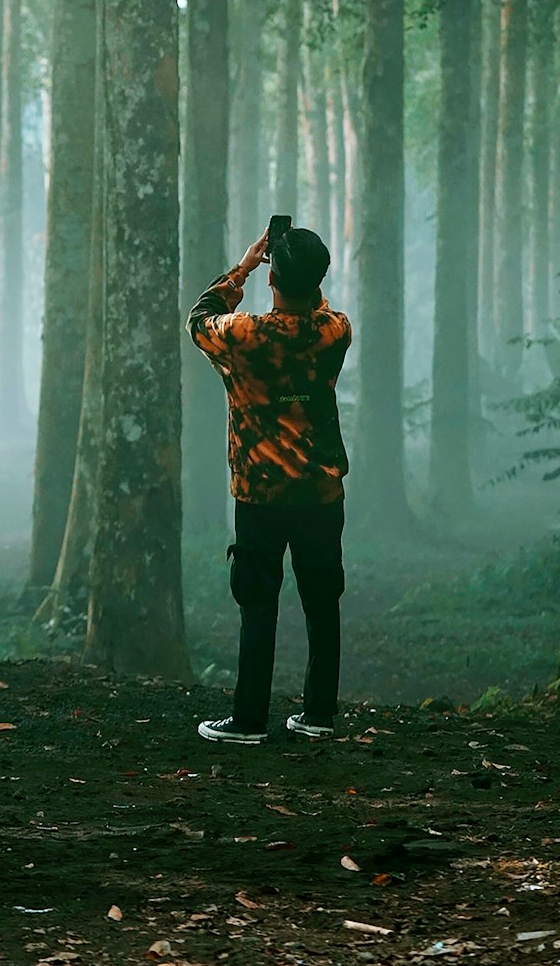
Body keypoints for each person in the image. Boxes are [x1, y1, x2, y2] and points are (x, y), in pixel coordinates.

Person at [186, 223, 352, 745]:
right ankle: (319, 715)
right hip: (321, 491)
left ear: (272, 279)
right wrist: (290, 272)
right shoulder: (335, 330)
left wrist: (244, 266)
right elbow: (314, 309)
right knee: (323, 602)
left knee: (258, 603)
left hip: (260, 494)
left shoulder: (246, 337)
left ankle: (249, 720)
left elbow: (199, 318)